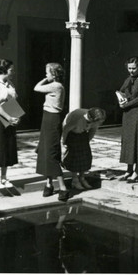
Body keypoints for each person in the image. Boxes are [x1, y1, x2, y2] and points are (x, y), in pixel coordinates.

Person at [34, 63, 69, 202]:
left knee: (51, 153)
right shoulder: (56, 85)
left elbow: (36, 88)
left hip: (52, 119)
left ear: (54, 74)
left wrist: (46, 80)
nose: (45, 75)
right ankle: (49, 184)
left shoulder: (56, 85)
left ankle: (63, 187)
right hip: (47, 118)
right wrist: (47, 78)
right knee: (45, 151)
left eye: (47, 73)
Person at [0, 59, 21, 189]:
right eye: (11, 70)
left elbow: (13, 100)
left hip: (10, 114)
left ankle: (4, 177)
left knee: (8, 145)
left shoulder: (9, 84)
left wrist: (16, 115)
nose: (13, 72)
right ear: (4, 70)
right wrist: (8, 117)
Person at [118, 56, 138, 183]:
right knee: (128, 141)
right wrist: (121, 99)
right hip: (127, 114)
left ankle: (137, 171)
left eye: (134, 68)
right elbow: (121, 91)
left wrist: (126, 104)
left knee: (137, 141)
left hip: (137, 113)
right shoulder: (128, 79)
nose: (131, 71)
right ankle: (128, 170)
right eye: (129, 68)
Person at [62, 107, 106, 190]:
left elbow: (92, 130)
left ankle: (82, 178)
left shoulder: (95, 121)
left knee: (86, 156)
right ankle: (75, 180)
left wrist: (86, 141)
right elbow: (66, 129)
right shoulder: (78, 118)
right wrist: (63, 141)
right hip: (71, 133)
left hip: (82, 133)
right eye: (99, 122)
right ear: (92, 119)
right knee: (75, 157)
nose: (100, 123)